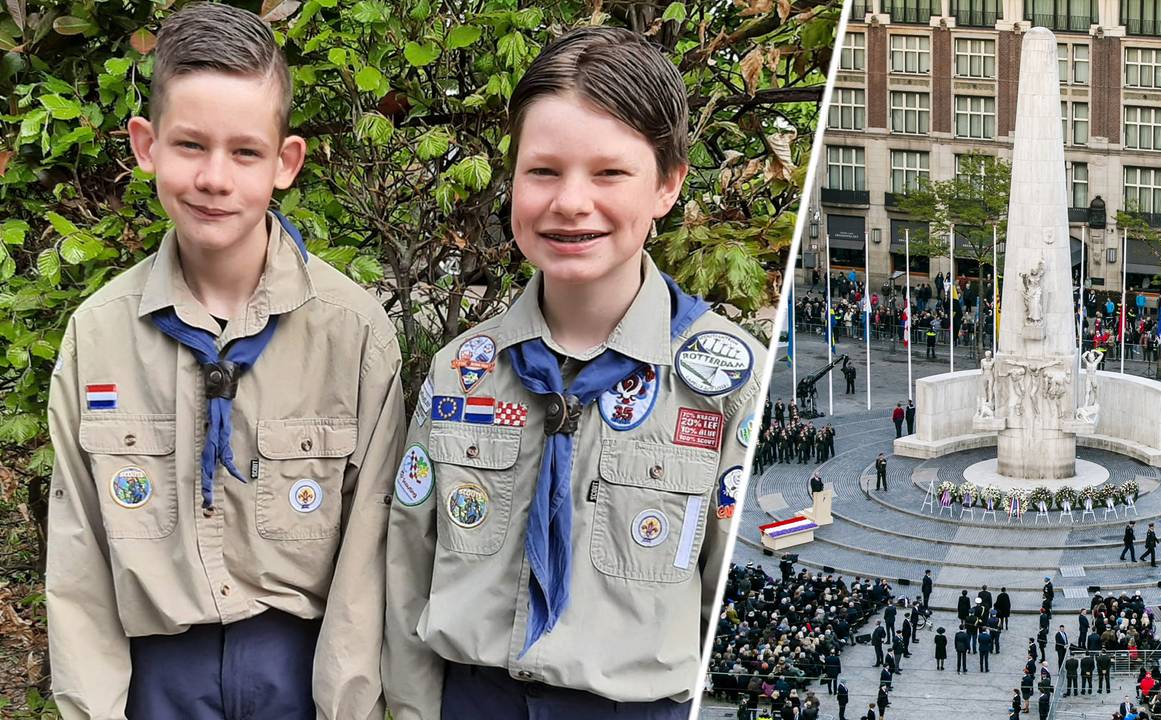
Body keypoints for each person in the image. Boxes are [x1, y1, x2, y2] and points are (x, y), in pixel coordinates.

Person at [383, 27, 764, 719]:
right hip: (474, 700)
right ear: (514, 179)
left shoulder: (730, 385)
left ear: (668, 184)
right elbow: (409, 562)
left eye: (610, 173)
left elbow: (726, 593)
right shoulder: (461, 373)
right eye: (544, 170)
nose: (570, 202)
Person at [45, 5, 403, 718]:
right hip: (156, 680)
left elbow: (371, 554)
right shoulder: (99, 336)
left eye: (244, 152)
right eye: (189, 145)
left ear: (285, 163)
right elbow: (78, 555)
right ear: (146, 145)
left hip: (300, 674)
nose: (214, 177)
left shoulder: (352, 333)